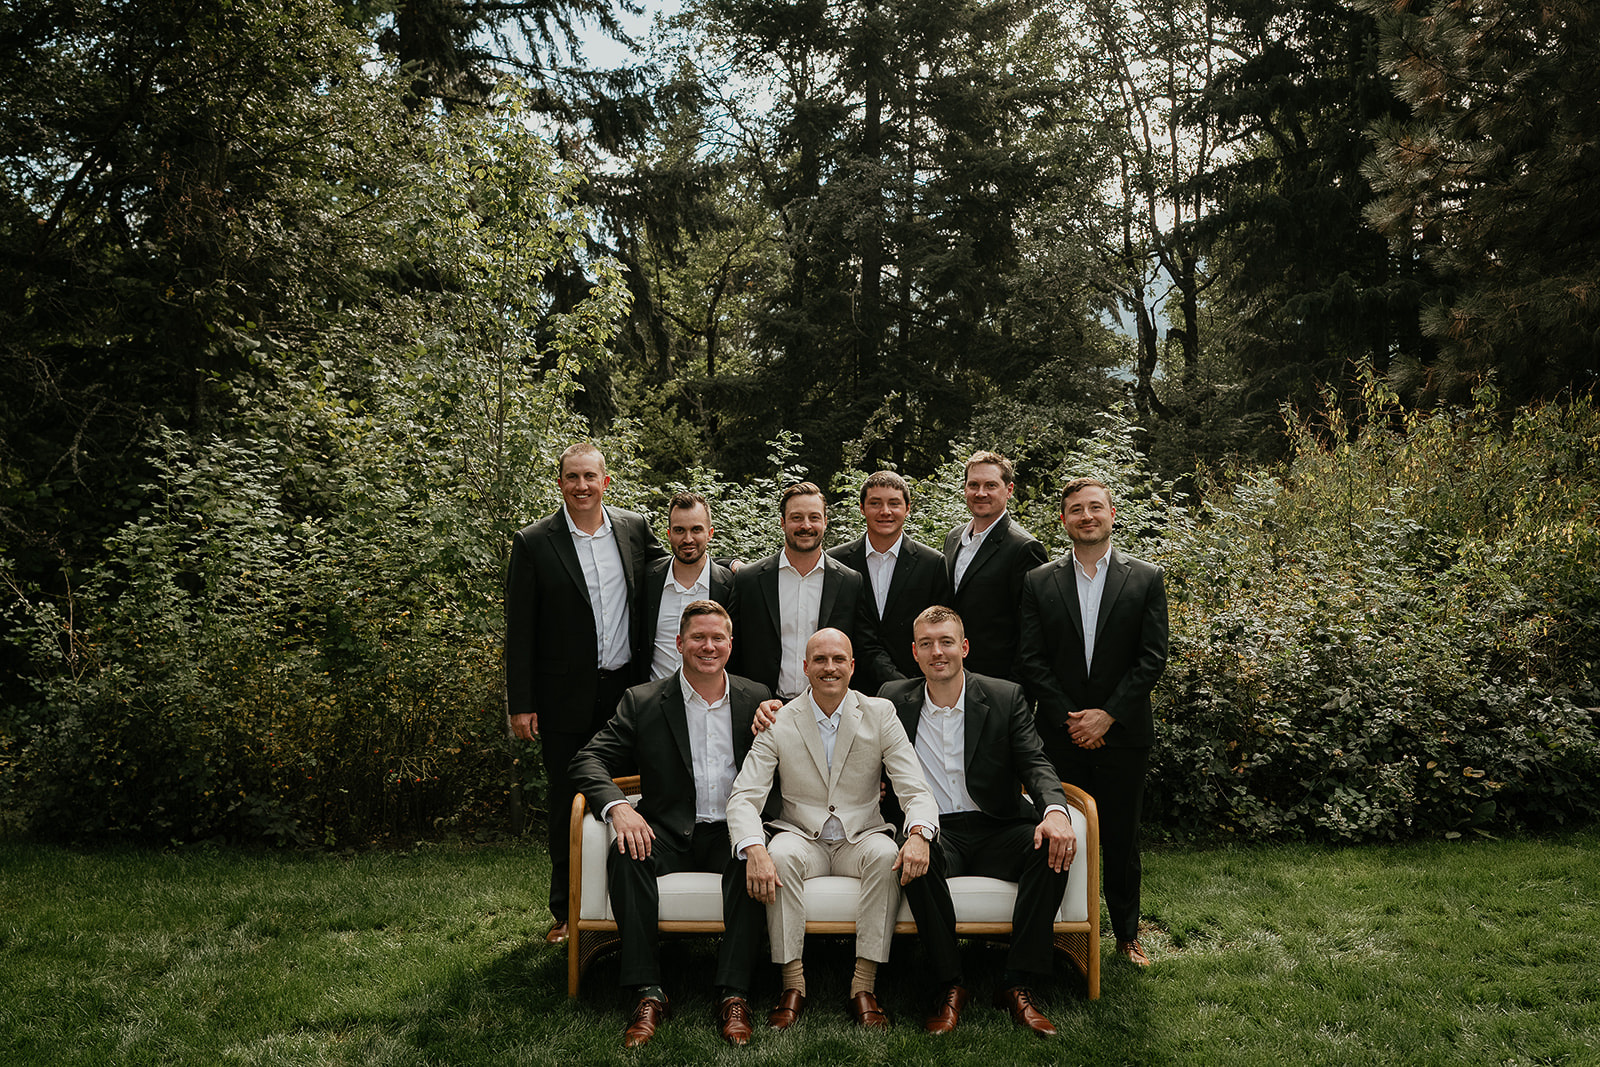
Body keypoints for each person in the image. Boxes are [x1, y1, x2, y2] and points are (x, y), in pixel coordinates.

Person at [568, 601, 772, 1048]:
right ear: (679, 644)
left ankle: (733, 994)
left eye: (718, 637)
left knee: (753, 858)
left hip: (731, 829)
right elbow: (588, 759)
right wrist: (619, 808)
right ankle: (647, 992)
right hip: (667, 829)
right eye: (698, 637)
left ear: (731, 645)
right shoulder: (643, 701)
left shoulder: (756, 698)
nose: (708, 646)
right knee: (625, 851)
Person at [726, 628, 939, 1030]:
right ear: (804, 668)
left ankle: (864, 985)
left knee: (886, 855)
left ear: (852, 666)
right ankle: (792, 985)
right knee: (780, 854)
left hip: (861, 837)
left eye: (838, 659)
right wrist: (754, 848)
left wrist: (919, 833)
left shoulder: (879, 714)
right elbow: (744, 795)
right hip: (801, 836)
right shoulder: (779, 719)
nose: (829, 668)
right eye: (820, 660)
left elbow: (914, 786)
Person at [879, 606, 1077, 1035]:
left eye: (947, 642)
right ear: (914, 652)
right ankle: (949, 986)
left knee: (1050, 849)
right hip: (935, 829)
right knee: (915, 859)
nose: (938, 652)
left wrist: (1056, 811)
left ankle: (1017, 983)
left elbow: (1035, 762)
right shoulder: (893, 700)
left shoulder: (1005, 697)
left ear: (964, 647)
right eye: (927, 644)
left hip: (997, 825)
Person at [503, 442, 667, 945]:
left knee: (633, 795)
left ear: (606, 481)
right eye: (571, 477)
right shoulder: (534, 542)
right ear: (559, 483)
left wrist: (734, 573)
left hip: (626, 691)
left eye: (589, 477)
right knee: (566, 801)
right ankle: (565, 913)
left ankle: (628, 902)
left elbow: (676, 571)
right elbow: (520, 629)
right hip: (562, 697)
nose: (581, 486)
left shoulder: (633, 528)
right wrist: (522, 702)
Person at [1018, 477, 1168, 967]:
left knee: (1122, 839)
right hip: (1060, 736)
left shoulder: (1145, 577)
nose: (1087, 516)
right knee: (1060, 833)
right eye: (1076, 509)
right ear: (1063, 520)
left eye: (1095, 507)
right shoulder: (1040, 580)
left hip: (1123, 735)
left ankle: (1126, 935)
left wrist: (1107, 716)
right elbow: (1032, 659)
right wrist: (1072, 719)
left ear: (1112, 513)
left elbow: (1151, 658)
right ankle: (1064, 933)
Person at [728, 481, 893, 699]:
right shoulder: (749, 580)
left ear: (825, 522)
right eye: (797, 517)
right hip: (765, 710)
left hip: (827, 709)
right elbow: (730, 649)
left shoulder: (849, 583)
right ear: (782, 522)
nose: (806, 525)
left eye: (814, 517)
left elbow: (865, 648)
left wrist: (904, 687)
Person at [828, 471, 951, 694]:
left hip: (915, 686)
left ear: (908, 508)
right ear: (862, 508)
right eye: (875, 503)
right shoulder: (835, 562)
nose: (885, 512)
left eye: (894, 503)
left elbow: (939, 629)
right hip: (850, 688)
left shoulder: (931, 564)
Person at [941, 451, 1048, 680]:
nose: (981, 493)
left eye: (990, 485)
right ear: (965, 489)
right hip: (952, 676)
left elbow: (1032, 632)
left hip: (999, 682)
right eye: (974, 485)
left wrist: (1016, 691)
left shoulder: (1025, 548)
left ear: (1008, 490)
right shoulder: (953, 537)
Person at [636, 491, 735, 681]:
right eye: (679, 530)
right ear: (669, 534)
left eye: (696, 530)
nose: (688, 539)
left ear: (710, 533)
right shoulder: (647, 578)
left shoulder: (729, 586)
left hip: (709, 701)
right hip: (652, 699)